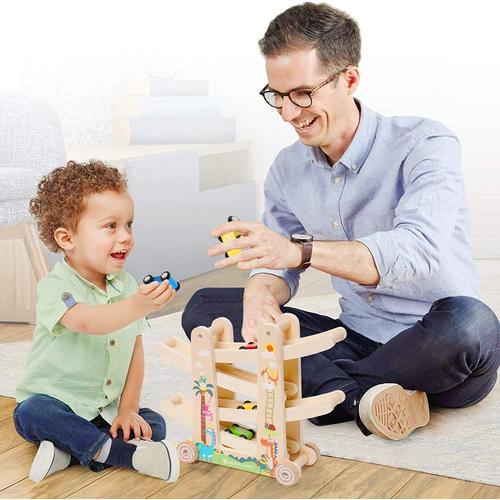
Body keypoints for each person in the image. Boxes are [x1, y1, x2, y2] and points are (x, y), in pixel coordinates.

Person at [182, 2, 500, 440]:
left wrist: (301, 251)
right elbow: (279, 265)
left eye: (302, 94)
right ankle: (360, 398)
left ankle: (326, 391)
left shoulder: (426, 143)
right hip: (354, 334)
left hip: (432, 343)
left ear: (348, 79)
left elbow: (417, 249)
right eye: (276, 95)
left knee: (474, 324)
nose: (289, 113)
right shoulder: (287, 169)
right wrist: (259, 294)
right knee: (205, 311)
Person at [14, 160, 180, 482]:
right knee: (32, 414)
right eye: (111, 226)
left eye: (129, 224)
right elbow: (88, 321)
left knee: (153, 422)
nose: (126, 236)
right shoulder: (56, 287)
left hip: (102, 413)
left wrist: (128, 409)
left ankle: (73, 449)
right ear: (66, 238)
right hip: (55, 402)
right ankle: (120, 455)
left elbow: (135, 351)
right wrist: (138, 305)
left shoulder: (126, 286)